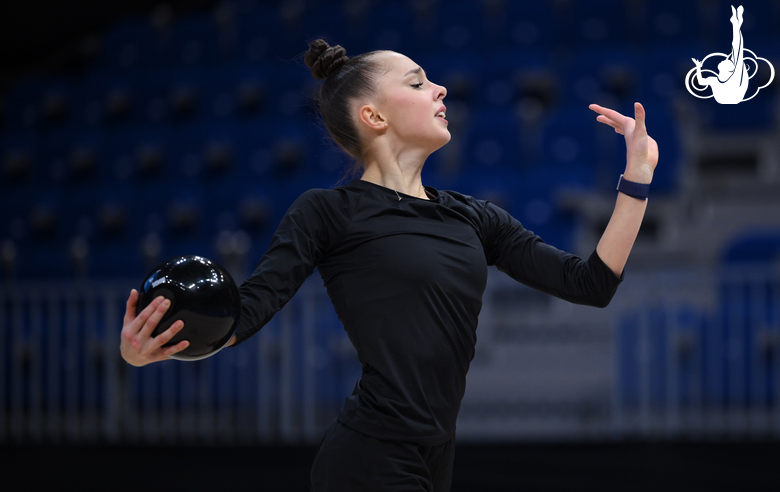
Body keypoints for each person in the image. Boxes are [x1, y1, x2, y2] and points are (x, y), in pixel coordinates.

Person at [120, 39, 658, 491]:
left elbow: (591, 284)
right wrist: (152, 350)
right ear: (373, 115)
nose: (440, 88)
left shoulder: (474, 217)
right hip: (369, 457)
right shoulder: (327, 211)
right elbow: (246, 313)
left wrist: (635, 180)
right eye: (419, 82)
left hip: (436, 457)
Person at [692, 5, 748, 104]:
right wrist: (698, 67)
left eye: (727, 61)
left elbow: (737, 47)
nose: (725, 59)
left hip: (732, 98)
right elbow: (701, 82)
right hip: (727, 99)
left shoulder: (734, 78)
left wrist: (736, 26)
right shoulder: (714, 80)